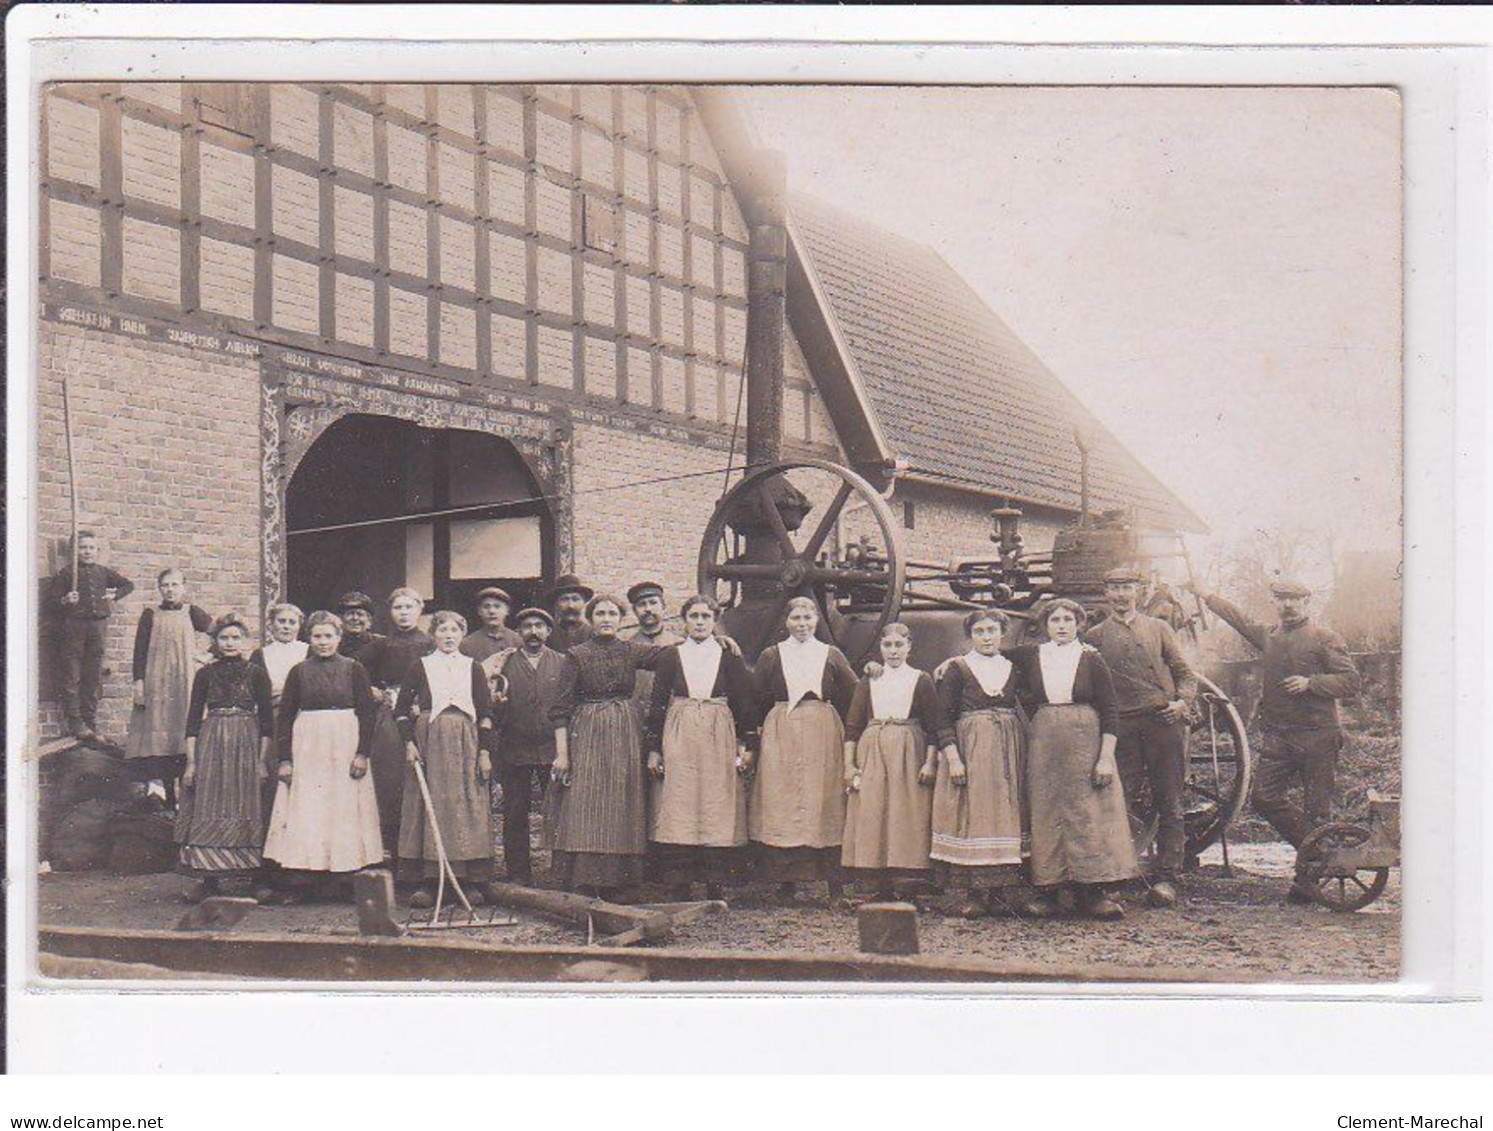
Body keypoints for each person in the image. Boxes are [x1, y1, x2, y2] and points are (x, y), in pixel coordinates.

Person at [1190, 576, 1362, 903]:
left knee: (1317, 811)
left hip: (1318, 736)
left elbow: (1351, 681)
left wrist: (1312, 683)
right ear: (1276, 604)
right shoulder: (1270, 636)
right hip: (1280, 737)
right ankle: (1318, 856)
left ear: (1307, 602)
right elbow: (1238, 619)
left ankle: (1306, 883)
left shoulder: (1325, 638)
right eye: (1282, 599)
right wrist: (1205, 594)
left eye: (1295, 599)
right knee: (1264, 798)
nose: (1288, 605)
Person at [1005, 598, 1137, 920]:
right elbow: (989, 656)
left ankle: (1091, 894)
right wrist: (947, 664)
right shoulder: (1032, 655)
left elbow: (1110, 711)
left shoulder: (1091, 659)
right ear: (1045, 626)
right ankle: (1048, 892)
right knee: (1046, 810)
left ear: (1079, 624)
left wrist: (1105, 758)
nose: (1061, 626)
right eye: (1054, 620)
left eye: (1067, 620)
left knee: (1086, 813)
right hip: (1046, 740)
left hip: (1085, 740)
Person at [1084, 566, 1198, 908]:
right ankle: (1117, 875)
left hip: (1162, 723)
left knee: (1170, 799)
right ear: (1106, 593)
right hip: (1122, 728)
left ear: (1138, 591)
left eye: (1127, 588)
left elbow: (1186, 674)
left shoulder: (1158, 628)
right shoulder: (1095, 636)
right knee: (1120, 801)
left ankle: (1167, 878)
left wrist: (1181, 704)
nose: (1121, 595)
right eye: (1115, 588)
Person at [548, 594, 669, 898]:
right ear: (591, 618)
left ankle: (621, 882)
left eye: (612, 613)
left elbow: (671, 655)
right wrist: (562, 755)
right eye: (600, 613)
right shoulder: (577, 654)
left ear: (620, 619)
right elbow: (560, 708)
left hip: (626, 732)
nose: (606, 618)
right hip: (587, 729)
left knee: (622, 798)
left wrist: (719, 641)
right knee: (586, 799)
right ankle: (584, 879)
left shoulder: (631, 650)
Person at [644, 594, 758, 900]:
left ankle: (714, 881)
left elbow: (744, 701)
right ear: (684, 621)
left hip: (717, 727)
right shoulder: (671, 655)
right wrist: (654, 747)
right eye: (693, 616)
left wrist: (746, 743)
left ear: (714, 620)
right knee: (680, 799)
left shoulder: (729, 656)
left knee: (715, 800)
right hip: (680, 727)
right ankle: (680, 881)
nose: (699, 622)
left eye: (705, 617)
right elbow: (657, 702)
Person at [262, 611, 382, 899]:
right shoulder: (299, 671)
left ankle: (345, 877)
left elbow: (367, 713)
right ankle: (306, 878)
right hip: (308, 745)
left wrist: (362, 754)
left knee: (343, 807)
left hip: (344, 743)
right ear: (309, 639)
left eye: (329, 636)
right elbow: (286, 716)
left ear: (339, 638)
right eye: (317, 636)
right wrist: (286, 759)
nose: (323, 642)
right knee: (310, 808)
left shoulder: (354, 669)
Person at [749, 596, 858, 907]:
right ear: (786, 622)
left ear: (816, 621)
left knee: (822, 800)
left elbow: (855, 693)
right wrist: (755, 738)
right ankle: (786, 883)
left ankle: (834, 886)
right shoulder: (772, 655)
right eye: (796, 618)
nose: (802, 624)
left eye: (807, 619)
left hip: (821, 730)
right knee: (782, 801)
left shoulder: (830, 654)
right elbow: (756, 698)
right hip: (781, 731)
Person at [930, 609, 1029, 919]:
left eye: (992, 630)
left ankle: (1002, 894)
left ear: (1003, 633)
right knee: (974, 814)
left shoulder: (1014, 666)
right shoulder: (958, 669)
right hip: (971, 749)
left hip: (1007, 750)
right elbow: (942, 718)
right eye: (979, 631)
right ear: (970, 636)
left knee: (1006, 813)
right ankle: (975, 894)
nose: (986, 637)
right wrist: (953, 758)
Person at [841, 622, 950, 903]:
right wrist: (849, 765)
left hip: (909, 748)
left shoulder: (920, 678)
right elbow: (853, 724)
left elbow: (933, 725)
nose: (893, 651)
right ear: (880, 649)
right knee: (873, 810)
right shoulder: (870, 679)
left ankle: (907, 885)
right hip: (873, 747)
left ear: (909, 647)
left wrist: (929, 763)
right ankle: (876, 884)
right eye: (887, 645)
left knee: (906, 812)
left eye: (899, 645)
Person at [395, 610, 498, 908]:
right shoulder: (421, 666)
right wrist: (409, 743)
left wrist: (485, 752)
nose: (449, 636)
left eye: (455, 630)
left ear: (462, 634)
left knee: (464, 805)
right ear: (434, 634)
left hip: (466, 740)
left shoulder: (472, 667)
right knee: (430, 805)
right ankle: (430, 881)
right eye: (442, 630)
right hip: (429, 741)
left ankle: (466, 880)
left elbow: (486, 713)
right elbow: (401, 709)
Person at [175, 613, 275, 902]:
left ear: (245, 641)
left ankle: (253, 877)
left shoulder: (256, 673)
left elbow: (267, 721)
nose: (230, 643)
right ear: (215, 642)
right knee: (211, 800)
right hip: (213, 742)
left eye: (235, 638)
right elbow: (193, 720)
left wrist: (260, 761)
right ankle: (209, 879)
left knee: (246, 801)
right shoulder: (205, 674)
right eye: (224, 638)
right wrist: (192, 763)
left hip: (246, 741)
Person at [124, 567, 213, 811]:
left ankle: (186, 799)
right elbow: (139, 652)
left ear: (183, 587)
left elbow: (218, 632)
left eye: (175, 585)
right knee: (159, 736)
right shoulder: (150, 614)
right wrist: (139, 684)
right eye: (165, 585)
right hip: (157, 684)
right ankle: (165, 798)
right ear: (160, 588)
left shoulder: (192, 612)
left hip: (184, 682)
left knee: (182, 732)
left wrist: (204, 657)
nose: (170, 590)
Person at [357, 588, 436, 855]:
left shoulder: (431, 644)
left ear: (420, 610)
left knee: (424, 778)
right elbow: (350, 669)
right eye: (398, 608)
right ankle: (392, 852)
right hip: (390, 717)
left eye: (409, 607)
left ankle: (422, 852)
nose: (404, 613)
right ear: (390, 613)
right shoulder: (382, 644)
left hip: (424, 716)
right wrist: (373, 690)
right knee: (391, 780)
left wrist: (422, 701)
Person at [490, 607, 566, 886]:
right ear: (518, 632)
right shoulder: (503, 664)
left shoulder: (562, 662)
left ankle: (560, 872)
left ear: (548, 631)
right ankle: (518, 873)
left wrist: (564, 749)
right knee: (515, 812)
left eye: (539, 626)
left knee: (558, 810)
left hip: (552, 749)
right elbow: (490, 705)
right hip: (515, 748)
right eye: (527, 627)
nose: (533, 632)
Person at [47, 530, 135, 742]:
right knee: (72, 676)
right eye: (82, 548)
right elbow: (50, 602)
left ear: (97, 551)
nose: (87, 552)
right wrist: (66, 600)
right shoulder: (67, 574)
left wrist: (115, 594)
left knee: (93, 675)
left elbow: (128, 585)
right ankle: (76, 722)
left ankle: (90, 721)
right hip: (74, 628)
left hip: (97, 629)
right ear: (75, 551)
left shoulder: (103, 572)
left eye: (91, 548)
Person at [249, 602, 309, 832]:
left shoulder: (307, 650)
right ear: (271, 626)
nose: (286, 627)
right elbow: (256, 691)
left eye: (292, 622)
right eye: (281, 622)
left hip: (303, 719)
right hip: (273, 720)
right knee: (275, 778)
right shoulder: (260, 654)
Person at [459, 586, 522, 682]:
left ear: (507, 611)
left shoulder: (518, 641)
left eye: (497, 606)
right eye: (486, 607)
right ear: (479, 611)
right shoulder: (466, 644)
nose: (492, 611)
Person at [547, 574, 595, 655]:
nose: (570, 606)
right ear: (556, 604)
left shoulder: (593, 634)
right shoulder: (548, 635)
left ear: (584, 603)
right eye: (564, 599)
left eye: (575, 599)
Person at [336, 591, 383, 663]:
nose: (355, 618)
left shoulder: (381, 644)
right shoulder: (333, 645)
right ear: (340, 619)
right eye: (350, 614)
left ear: (369, 621)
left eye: (360, 614)